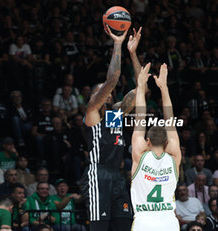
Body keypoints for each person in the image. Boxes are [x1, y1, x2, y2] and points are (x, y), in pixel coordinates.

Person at [81, 27, 141, 231]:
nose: (106, 93)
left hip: (117, 175)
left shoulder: (114, 115)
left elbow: (141, 89)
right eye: (100, 91)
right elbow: (112, 79)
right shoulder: (92, 113)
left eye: (106, 92)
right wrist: (117, 44)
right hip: (98, 174)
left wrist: (133, 54)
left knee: (124, 225)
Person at [130, 62, 181, 231]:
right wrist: (164, 88)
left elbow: (140, 118)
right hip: (169, 222)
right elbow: (170, 121)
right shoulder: (174, 158)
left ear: (148, 141)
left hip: (144, 221)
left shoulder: (140, 154)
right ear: (167, 142)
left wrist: (141, 85)